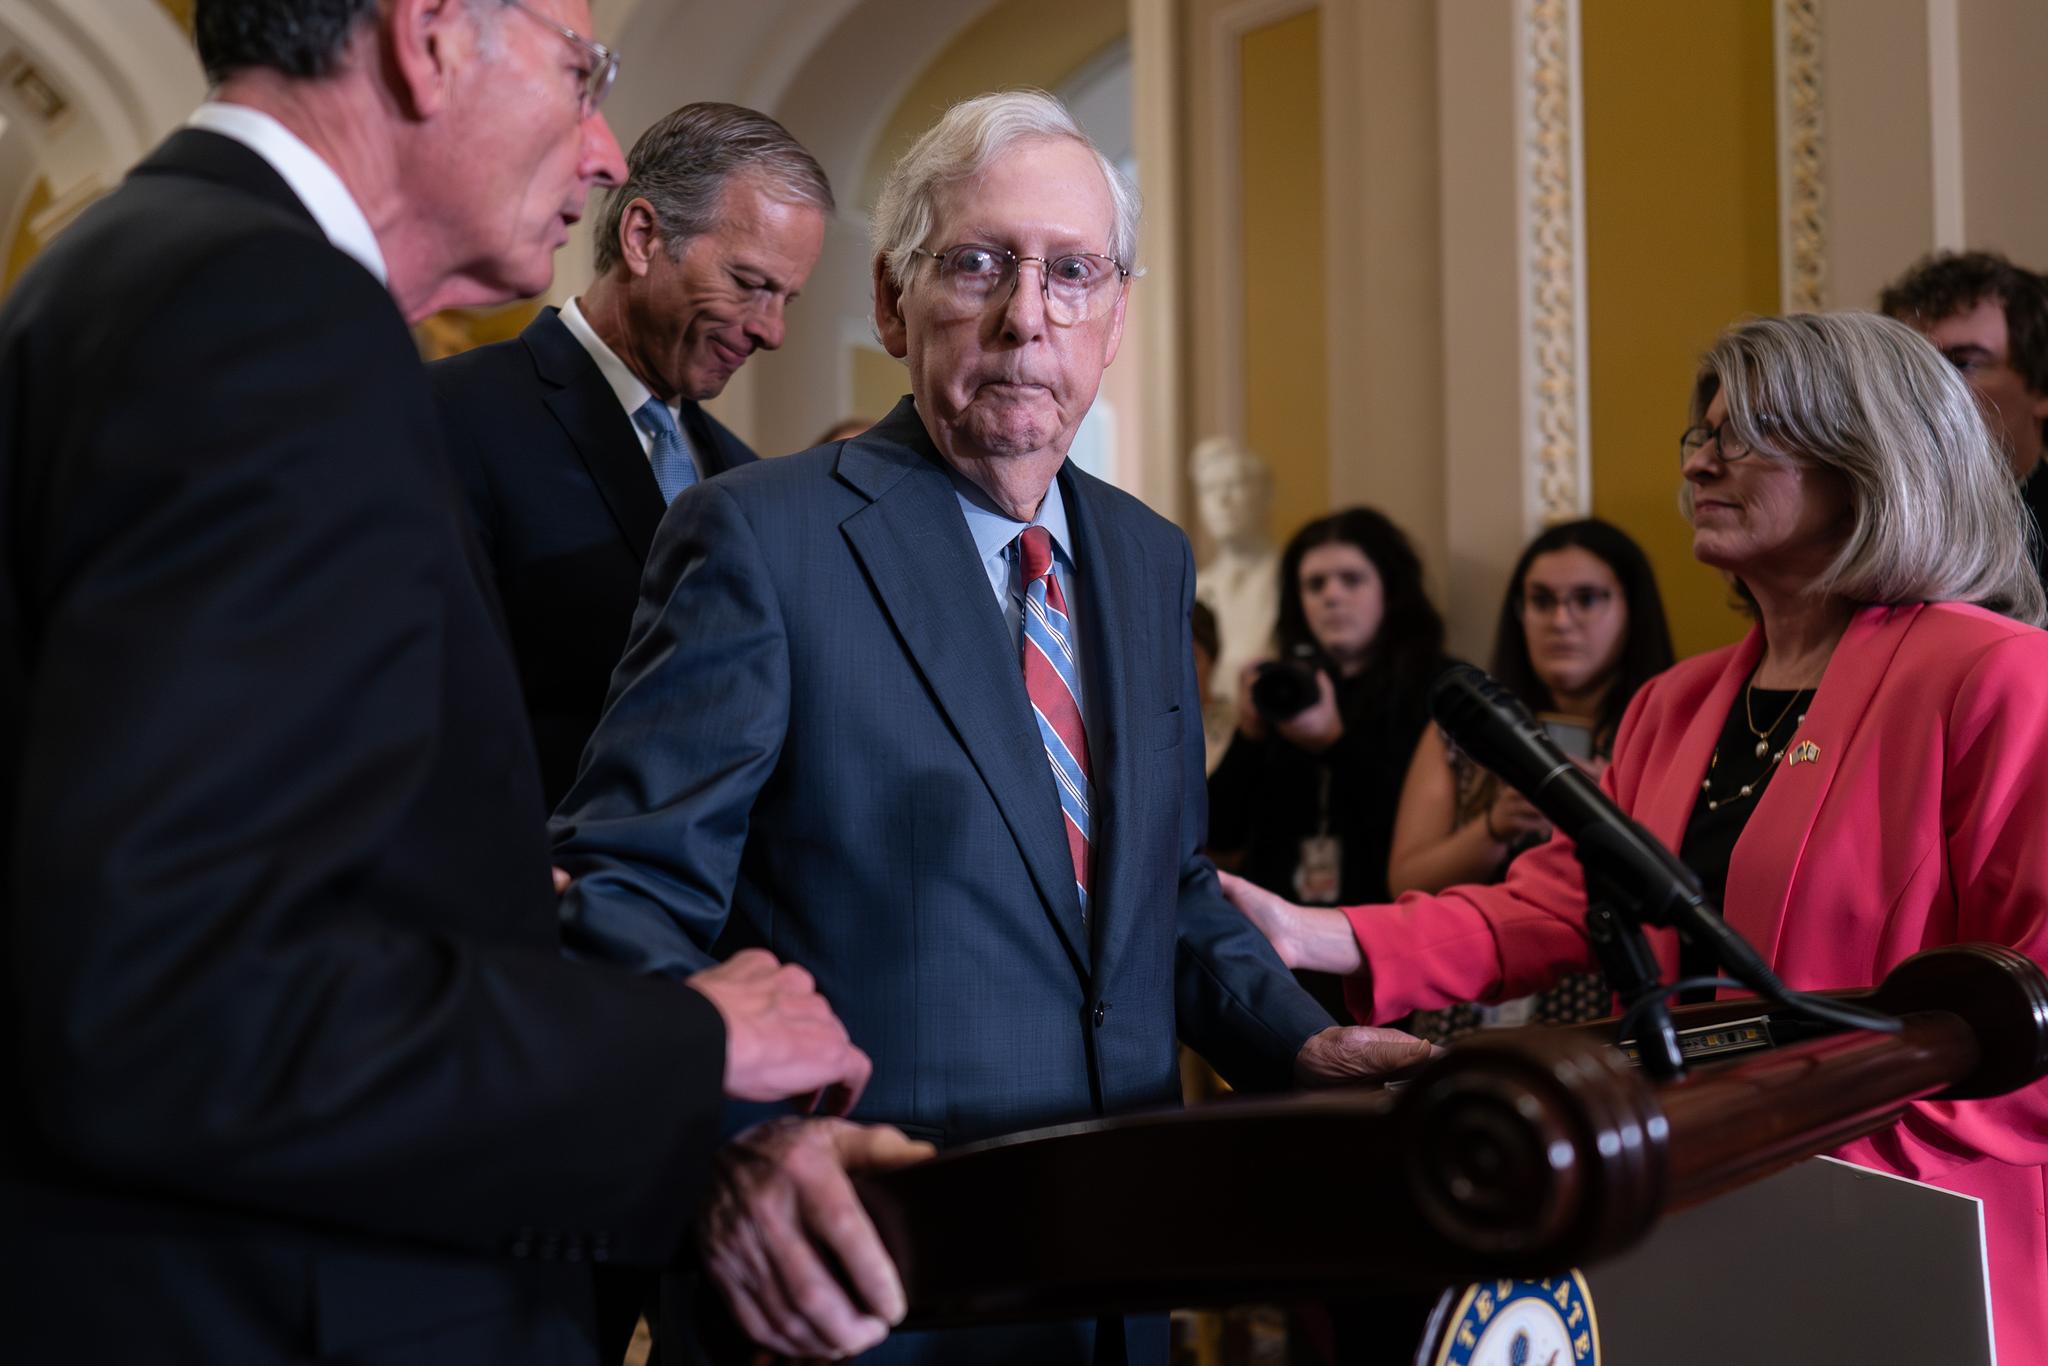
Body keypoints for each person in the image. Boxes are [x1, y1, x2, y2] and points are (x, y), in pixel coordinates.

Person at [0, 2, 911, 1362]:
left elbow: (187, 855)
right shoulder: (271, 315)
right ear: (426, 39)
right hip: (275, 1293)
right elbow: (175, 993)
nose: (605, 147)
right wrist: (681, 1040)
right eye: (579, 71)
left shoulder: (133, 268)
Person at [550, 89, 1431, 1365]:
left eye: (1072, 273)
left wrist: (1302, 1041)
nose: (1028, 316)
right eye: (979, 264)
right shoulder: (762, 538)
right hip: (866, 1278)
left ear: (1115, 316)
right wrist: (743, 1139)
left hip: (1116, 1278)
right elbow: (625, 893)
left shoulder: (1142, 558)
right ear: (895, 301)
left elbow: (1162, 894)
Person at [1221, 312, 2048, 1366]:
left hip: (1917, 1227)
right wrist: (1316, 934)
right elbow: (1562, 896)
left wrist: (1828, 1149)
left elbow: (2028, 1008)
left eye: (1743, 433)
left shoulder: (1993, 675)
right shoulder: (1674, 701)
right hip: (1696, 1200)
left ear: (1866, 461)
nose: (1699, 459)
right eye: (1696, 435)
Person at [430, 102, 830, 807]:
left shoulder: (744, 478)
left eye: (787, 299)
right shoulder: (455, 414)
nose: (772, 331)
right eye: (750, 284)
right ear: (644, 236)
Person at [1390, 519, 1674, 1040]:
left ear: (1631, 609)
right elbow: (1405, 882)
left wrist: (1605, 808)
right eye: (1541, 601)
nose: (1561, 621)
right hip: (1471, 1004)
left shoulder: (1667, 726)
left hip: (1603, 1002)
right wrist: (1494, 827)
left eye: (1587, 599)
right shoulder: (1461, 735)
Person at [1206, 507, 1450, 1015]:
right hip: (1277, 953)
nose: (1332, 596)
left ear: (1390, 588)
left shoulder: (1439, 690)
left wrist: (1334, 744)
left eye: (1351, 580)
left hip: (1388, 946)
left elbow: (1422, 843)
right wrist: (1251, 734)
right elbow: (1217, 836)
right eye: (1315, 585)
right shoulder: (1283, 688)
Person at [1880, 250, 2048, 588]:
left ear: (2041, 388)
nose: (1927, 387)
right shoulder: (1864, 527)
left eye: (1962, 365)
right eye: (1912, 366)